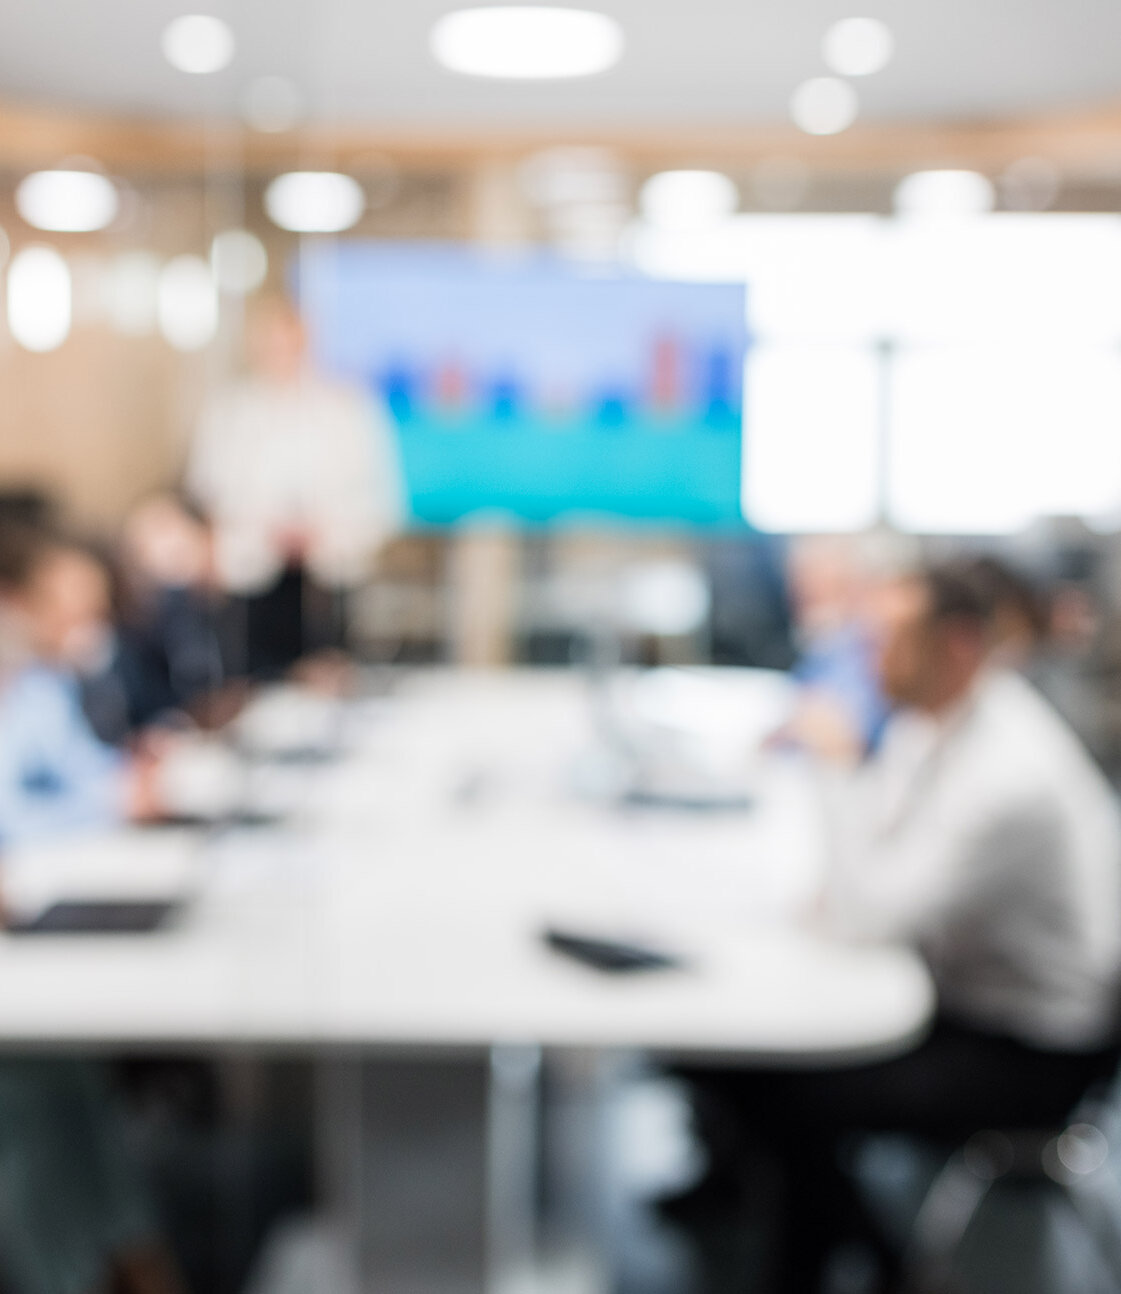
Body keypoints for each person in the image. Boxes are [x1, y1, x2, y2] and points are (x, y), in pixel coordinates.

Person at [676, 558, 1121, 1293]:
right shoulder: (935, 723)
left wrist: (836, 766)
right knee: (728, 1064)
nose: (866, 660)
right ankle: (822, 1240)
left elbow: (865, 913)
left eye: (886, 640)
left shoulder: (1008, 774)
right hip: (959, 990)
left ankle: (855, 1264)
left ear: (959, 644)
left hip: (1028, 1049)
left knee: (781, 1096)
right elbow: (870, 874)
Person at [0, 521, 185, 1294]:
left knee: (62, 1066)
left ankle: (131, 1260)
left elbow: (79, 786)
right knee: (25, 1090)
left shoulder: (37, 687)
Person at [186, 294, 405, 678]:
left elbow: (381, 498)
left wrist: (326, 531)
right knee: (252, 683)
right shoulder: (230, 412)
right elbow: (206, 494)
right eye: (272, 342)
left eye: (290, 342)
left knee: (328, 680)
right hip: (252, 578)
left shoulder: (349, 410)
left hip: (329, 578)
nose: (281, 353)